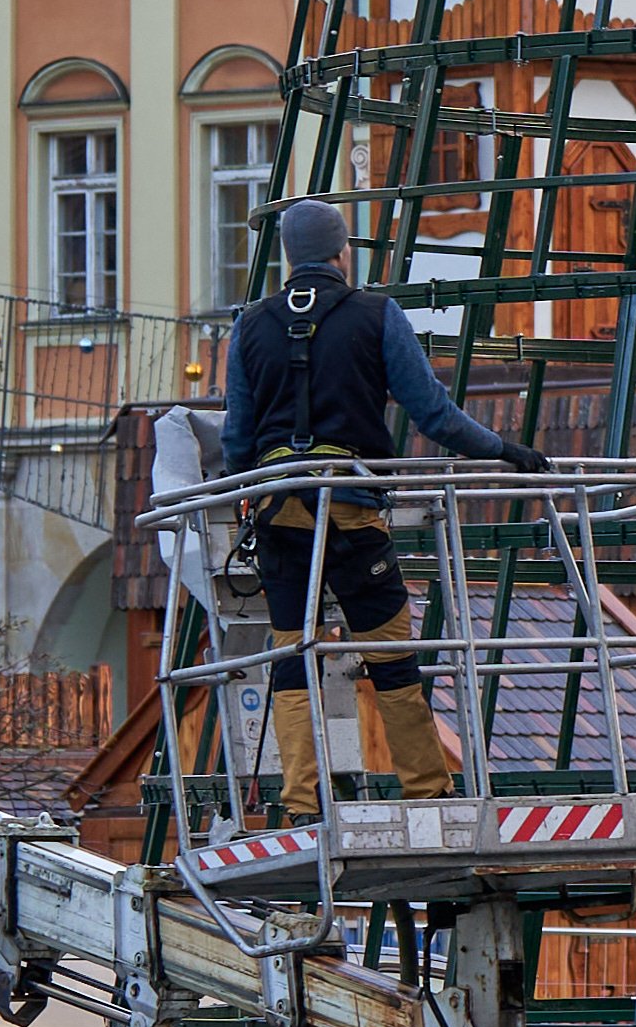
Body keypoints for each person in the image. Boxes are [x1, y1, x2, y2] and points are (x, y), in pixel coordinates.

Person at [217, 196, 547, 805]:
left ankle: (300, 802)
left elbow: (237, 437)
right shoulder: (376, 314)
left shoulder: (251, 324)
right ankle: (427, 790)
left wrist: (247, 493)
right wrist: (504, 449)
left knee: (292, 653)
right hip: (350, 509)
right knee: (391, 654)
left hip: (278, 509)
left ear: (288, 256)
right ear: (342, 252)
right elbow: (434, 415)